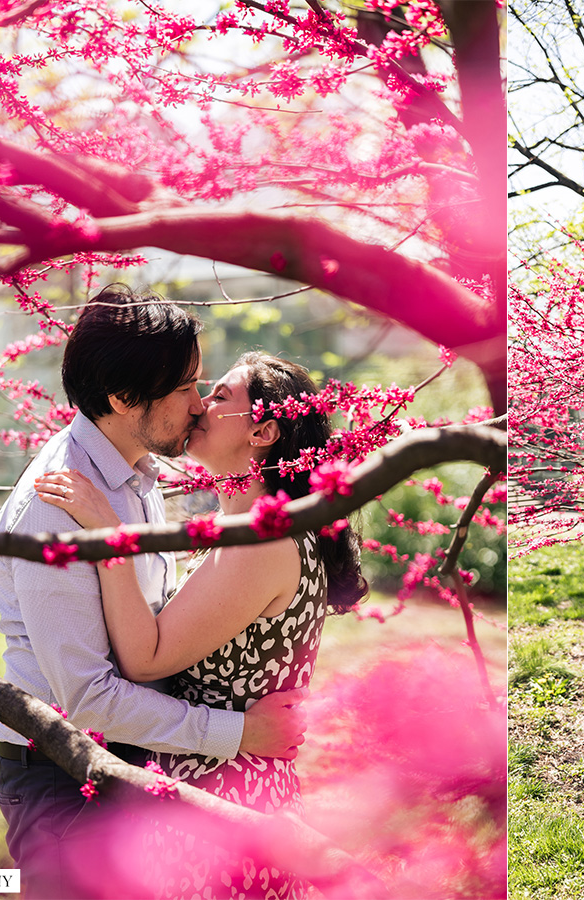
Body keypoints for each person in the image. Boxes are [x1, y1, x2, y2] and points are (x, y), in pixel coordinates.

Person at [0, 287, 310, 900]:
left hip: (136, 763)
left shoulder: (135, 474)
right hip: (67, 782)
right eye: (186, 387)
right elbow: (85, 699)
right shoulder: (55, 509)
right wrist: (238, 733)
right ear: (123, 398)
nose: (198, 405)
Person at [35, 351, 368, 898]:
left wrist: (106, 535)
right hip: (221, 791)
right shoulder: (242, 528)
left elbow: (146, 657)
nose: (199, 405)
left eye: (220, 396)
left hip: (225, 806)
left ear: (261, 431)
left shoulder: (259, 542)